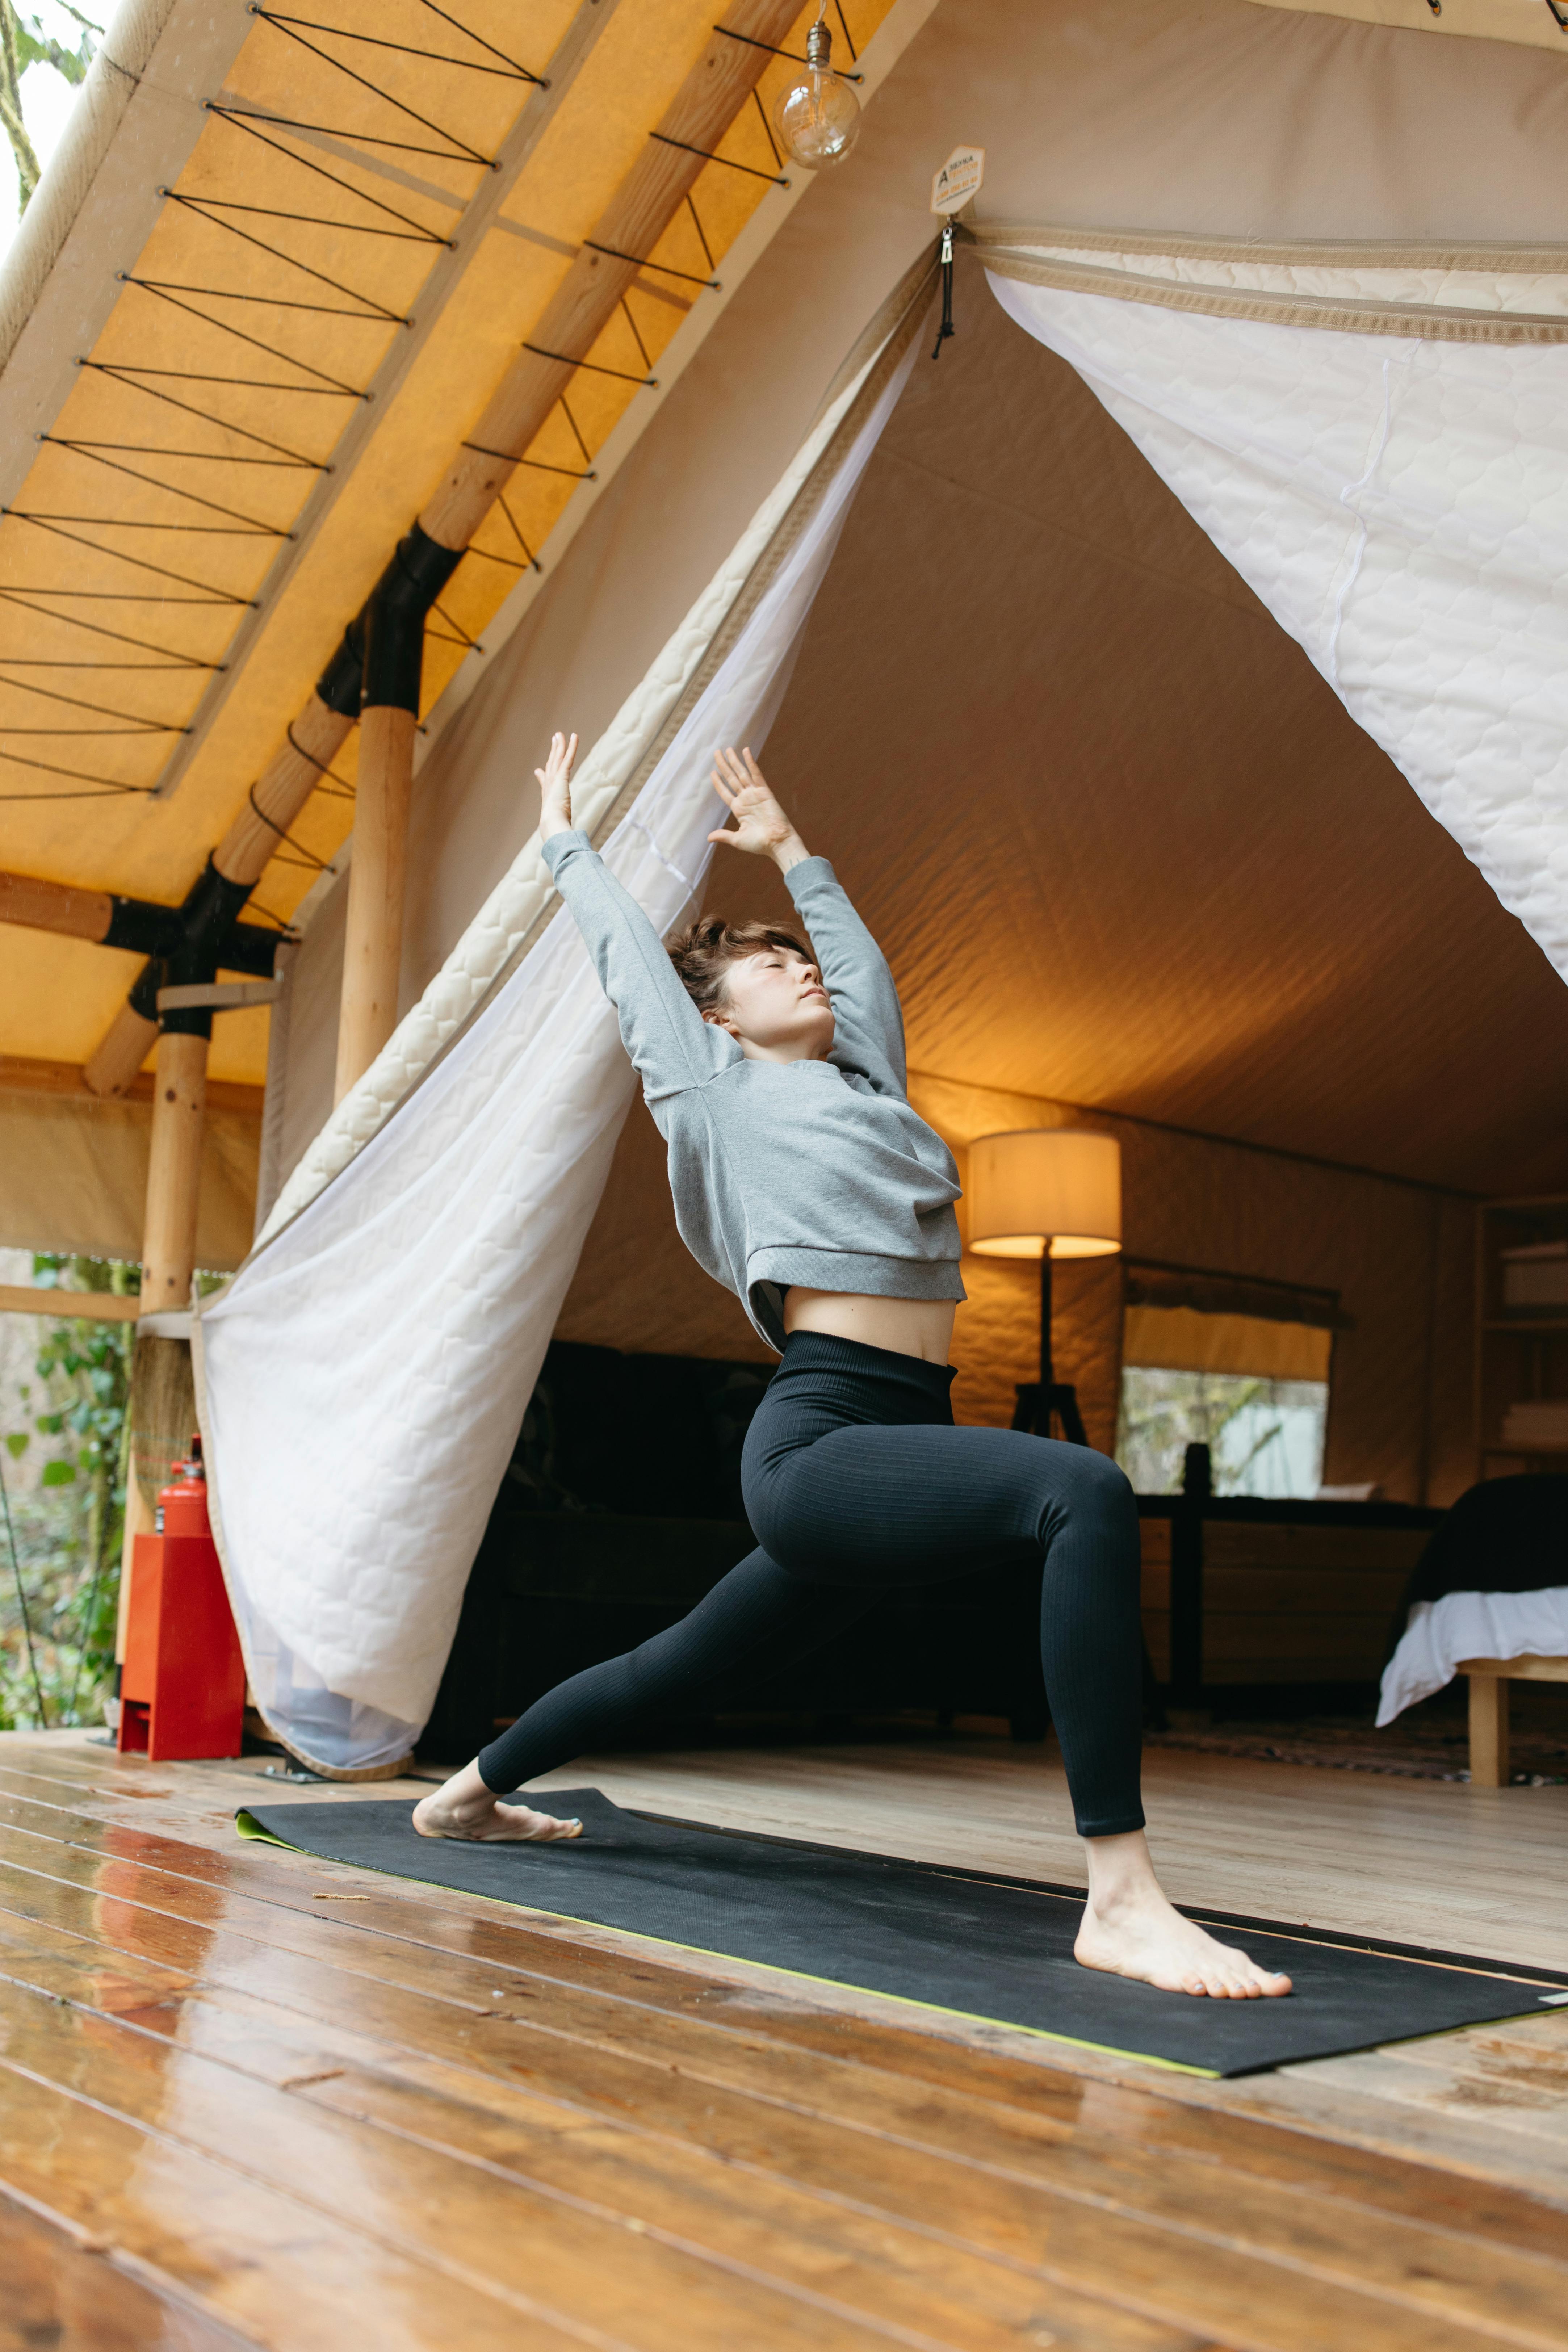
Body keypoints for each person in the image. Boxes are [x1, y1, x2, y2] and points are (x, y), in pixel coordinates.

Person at [415, 735, 1291, 2001]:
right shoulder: (709, 1090)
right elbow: (626, 969)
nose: (799, 967)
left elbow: (867, 973)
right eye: (768, 963)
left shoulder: (870, 1087)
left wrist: (789, 850)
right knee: (1081, 1490)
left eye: (797, 952)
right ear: (717, 1015)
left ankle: (468, 1795)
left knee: (677, 1667)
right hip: (818, 1443)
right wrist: (565, 840)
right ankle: (1121, 1899)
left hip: (895, 1434)